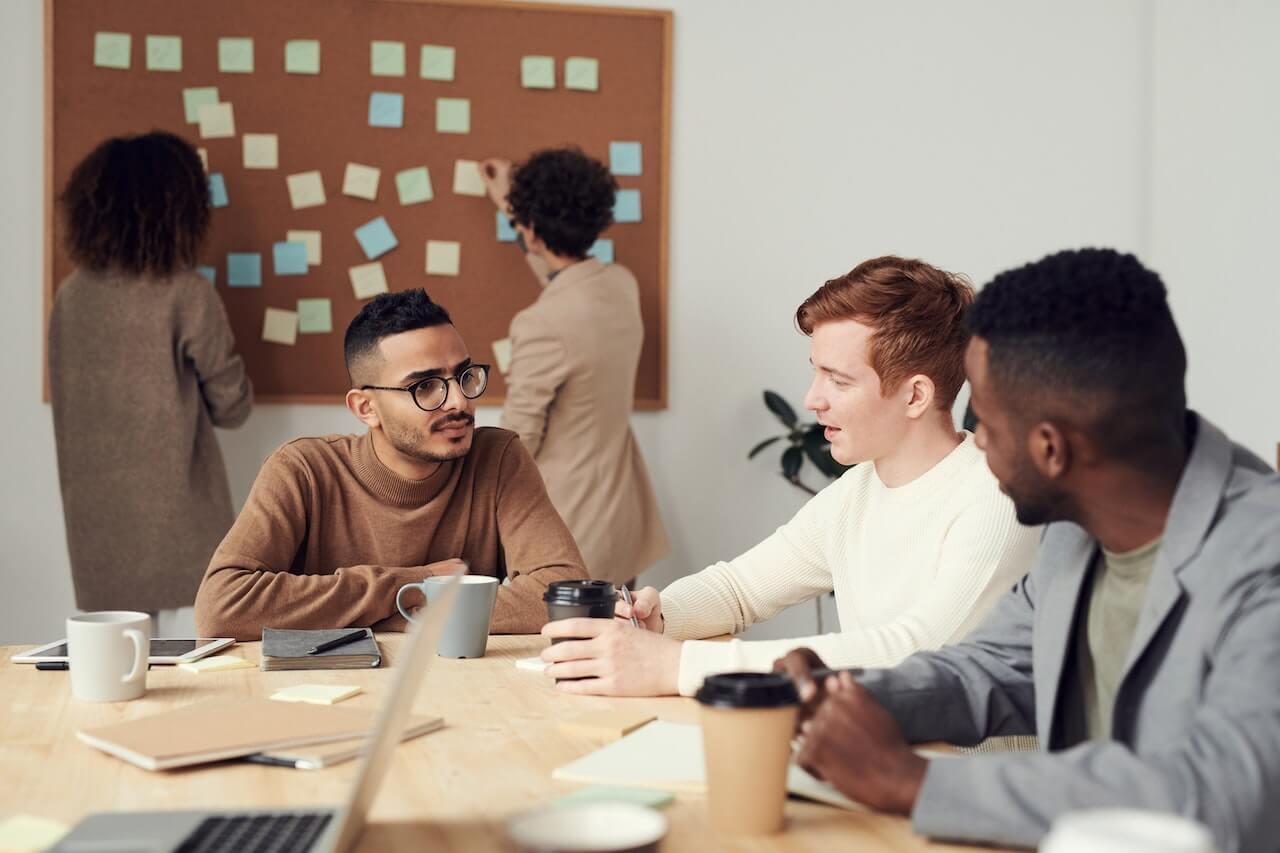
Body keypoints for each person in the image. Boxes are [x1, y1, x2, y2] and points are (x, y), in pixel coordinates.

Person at [778, 248, 1280, 853]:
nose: (975, 443)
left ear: (1051, 450)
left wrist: (911, 781)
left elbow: (1221, 797)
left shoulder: (1264, 561)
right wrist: (842, 695)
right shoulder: (1079, 528)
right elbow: (994, 670)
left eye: (984, 423)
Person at [540, 256, 1040, 697]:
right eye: (816, 372)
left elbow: (913, 655)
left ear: (915, 396)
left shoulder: (995, 497)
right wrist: (661, 615)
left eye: (838, 381)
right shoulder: (858, 491)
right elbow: (741, 590)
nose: (812, 400)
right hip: (871, 763)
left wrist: (679, 667)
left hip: (961, 784)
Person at [193, 289, 589, 640]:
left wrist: (389, 613)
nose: (459, 402)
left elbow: (564, 593)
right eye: (426, 386)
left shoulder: (498, 458)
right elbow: (222, 606)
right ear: (365, 407)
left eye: (464, 376)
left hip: (465, 689)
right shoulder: (302, 469)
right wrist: (417, 582)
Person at [49, 131, 252, 631]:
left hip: (94, 506)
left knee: (120, 646)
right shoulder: (186, 292)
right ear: (180, 209)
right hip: (177, 507)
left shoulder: (71, 296)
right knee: (205, 643)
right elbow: (234, 406)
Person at [480, 148, 668, 587]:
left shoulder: (540, 323)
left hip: (570, 524)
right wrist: (517, 208)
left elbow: (519, 438)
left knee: (563, 652)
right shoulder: (620, 285)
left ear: (533, 233)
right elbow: (563, 281)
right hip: (621, 518)